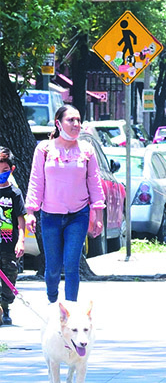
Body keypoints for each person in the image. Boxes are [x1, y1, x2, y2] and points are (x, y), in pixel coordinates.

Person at [24, 105, 105, 304]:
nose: (76, 124)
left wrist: (98, 216)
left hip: (78, 216)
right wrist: (31, 212)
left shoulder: (87, 150)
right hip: (50, 216)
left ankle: (70, 312)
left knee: (71, 265)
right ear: (58, 123)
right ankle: (53, 303)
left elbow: (94, 182)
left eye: (78, 120)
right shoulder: (44, 149)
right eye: (71, 120)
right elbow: (36, 180)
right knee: (52, 268)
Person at [0, 147, 26, 325]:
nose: (1, 174)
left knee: (10, 277)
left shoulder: (15, 193)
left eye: (5, 170)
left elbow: (20, 219)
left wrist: (21, 241)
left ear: (12, 170)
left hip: (9, 245)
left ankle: (5, 307)